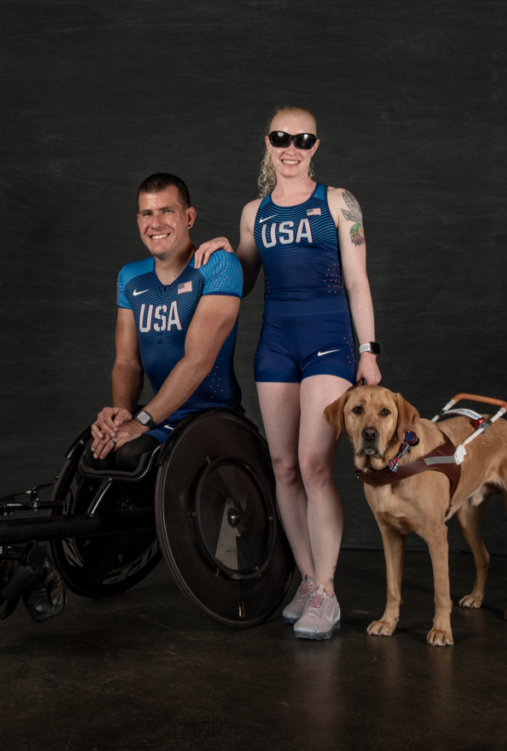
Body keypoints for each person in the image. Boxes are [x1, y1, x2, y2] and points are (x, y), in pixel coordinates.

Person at [193, 107, 381, 640]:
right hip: (276, 343)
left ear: (315, 145)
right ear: (269, 142)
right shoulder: (255, 212)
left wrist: (367, 350)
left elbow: (358, 283)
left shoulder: (339, 202)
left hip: (329, 341)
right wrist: (226, 250)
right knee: (283, 466)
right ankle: (307, 580)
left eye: (303, 139)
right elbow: (246, 279)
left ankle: (328, 588)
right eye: (281, 137)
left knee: (314, 463)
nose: (291, 147)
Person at [89, 174, 243, 469]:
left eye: (167, 211)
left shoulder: (219, 265)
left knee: (131, 455)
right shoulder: (130, 276)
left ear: (189, 217)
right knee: (97, 454)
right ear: (138, 220)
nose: (155, 223)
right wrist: (120, 415)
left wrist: (141, 422)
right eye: (147, 213)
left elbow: (197, 361)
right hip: (161, 414)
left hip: (209, 415)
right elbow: (127, 363)